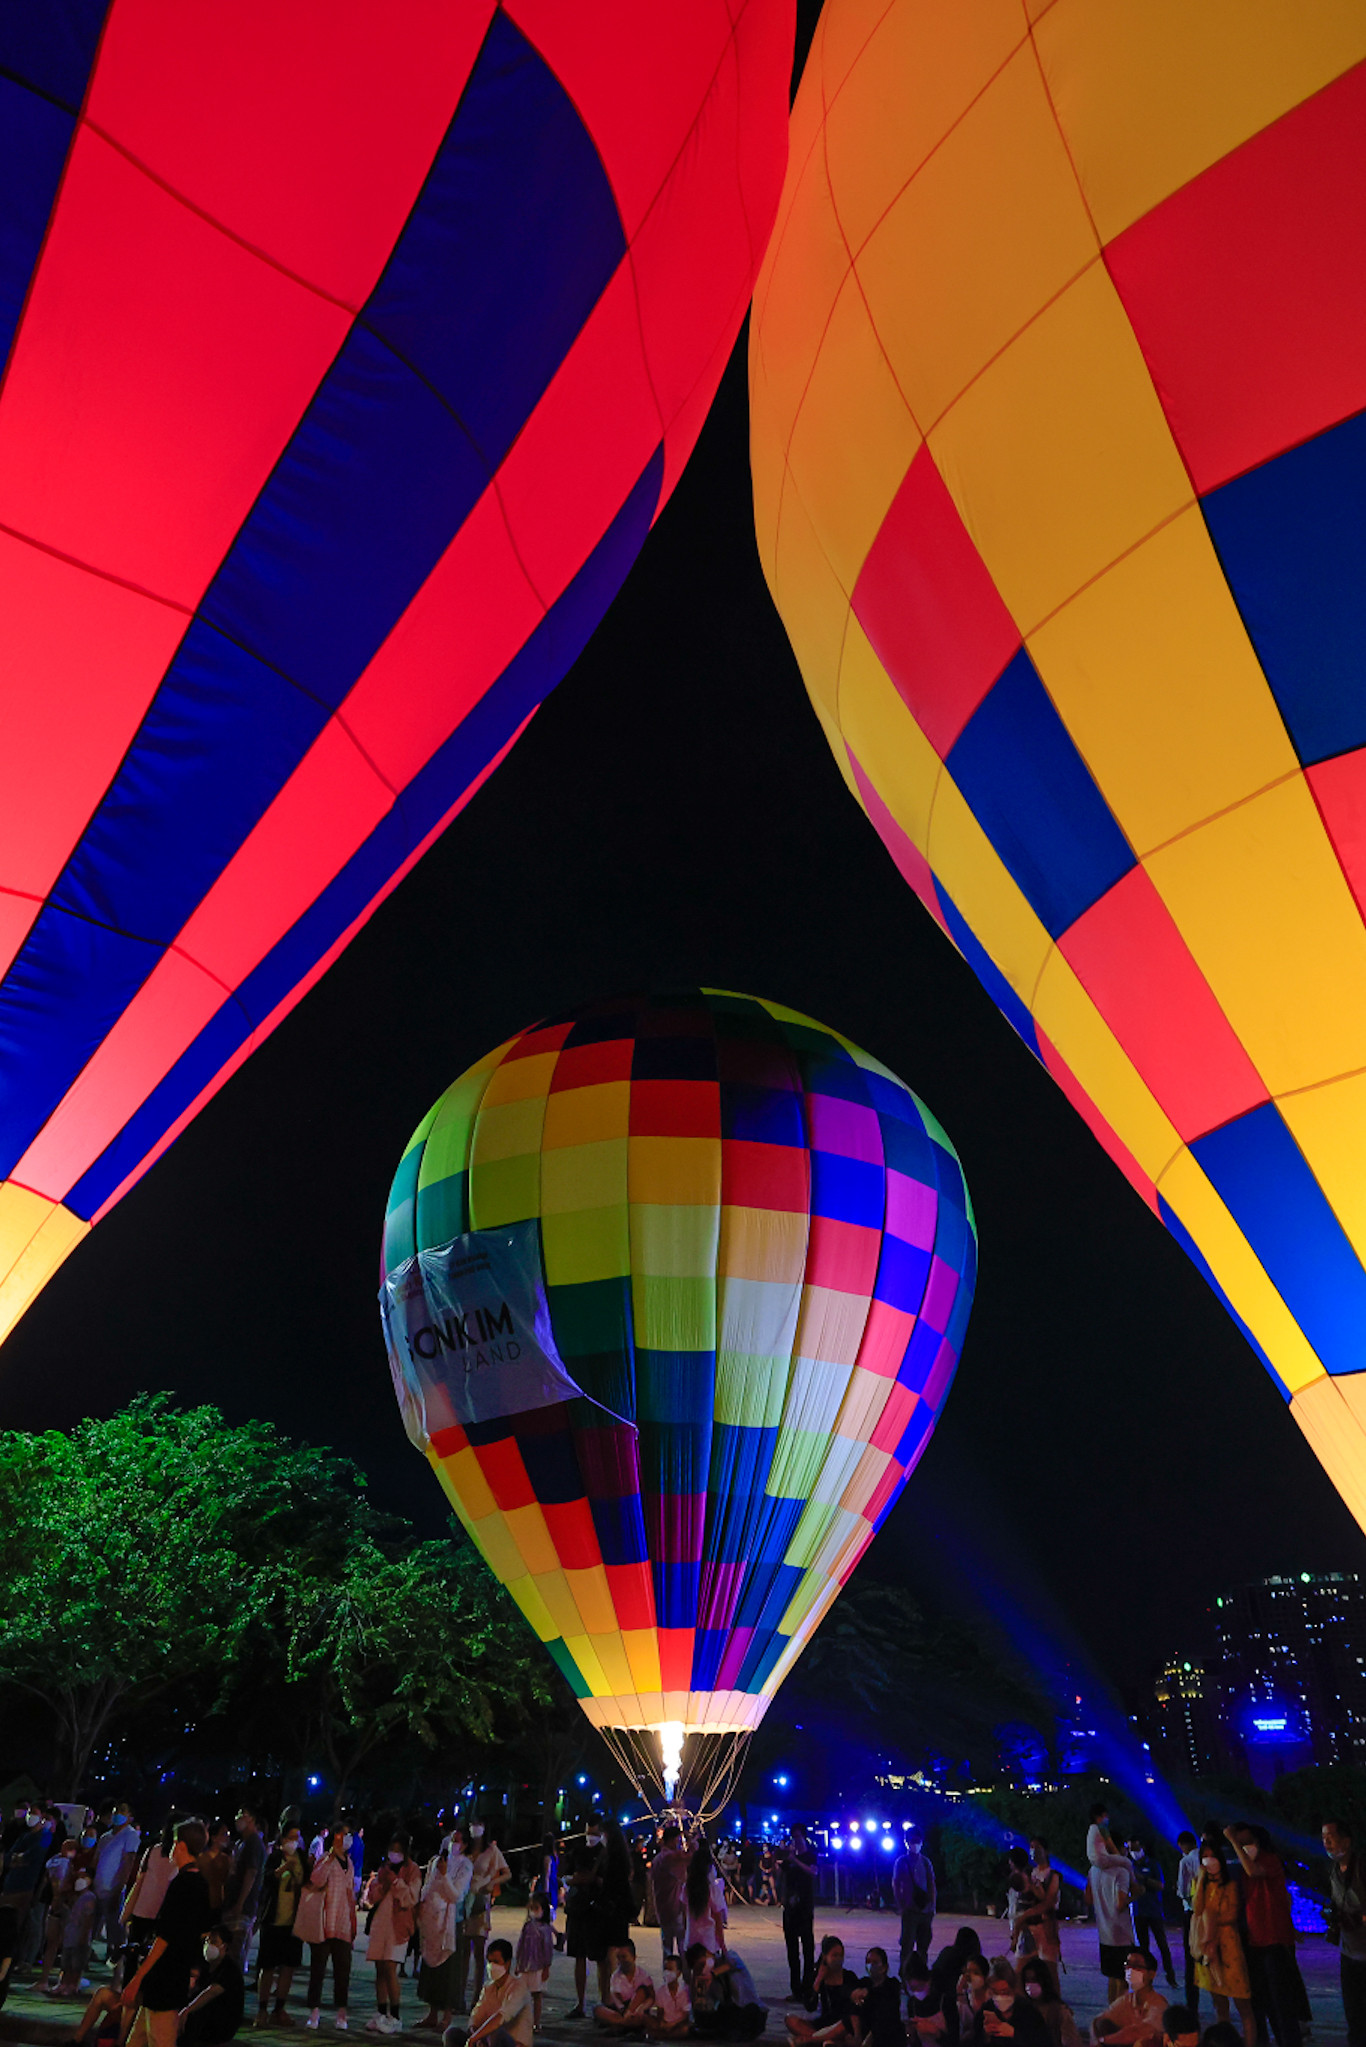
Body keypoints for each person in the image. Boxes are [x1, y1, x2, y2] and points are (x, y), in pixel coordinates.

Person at [120, 1819, 212, 2047]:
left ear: (181, 1846)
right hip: (173, 1974)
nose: (169, 1848)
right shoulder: (199, 1883)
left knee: (161, 2039)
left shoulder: (182, 1884)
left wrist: (137, 1978)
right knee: (138, 2039)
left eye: (173, 1842)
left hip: (166, 1977)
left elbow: (164, 1938)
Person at [1222, 1825, 1298, 2047]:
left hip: (1274, 1939)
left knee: (1281, 2002)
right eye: (1239, 1844)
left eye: (1246, 1843)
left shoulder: (1269, 1860)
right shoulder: (1246, 1868)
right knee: (1259, 2000)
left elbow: (1253, 1871)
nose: (1243, 1849)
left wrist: (1232, 1841)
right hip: (1254, 1939)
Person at [1188, 1842, 1253, 2046]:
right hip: (1209, 1950)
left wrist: (1211, 1920)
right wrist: (1200, 1881)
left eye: (1212, 1855)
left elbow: (1231, 1914)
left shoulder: (1230, 1884)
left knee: (1242, 2002)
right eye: (1204, 1856)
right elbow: (1196, 1909)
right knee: (1219, 2005)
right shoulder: (1199, 1882)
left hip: (1227, 1947)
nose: (1208, 1860)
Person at [297, 1825, 357, 2033]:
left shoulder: (349, 1863)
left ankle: (341, 2012)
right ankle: (314, 2011)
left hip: (342, 1924)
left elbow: (350, 1894)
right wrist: (329, 1859)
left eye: (349, 1833)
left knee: (343, 1971)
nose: (347, 1837)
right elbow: (316, 1880)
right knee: (318, 1969)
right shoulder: (325, 1860)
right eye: (343, 1833)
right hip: (323, 1924)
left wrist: (353, 1922)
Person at [362, 1835, 421, 2036]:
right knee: (380, 1968)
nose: (394, 1853)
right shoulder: (384, 1868)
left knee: (390, 1968)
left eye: (398, 1849)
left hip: (399, 1927)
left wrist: (395, 1882)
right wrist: (382, 1884)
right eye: (391, 1849)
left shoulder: (412, 1870)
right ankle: (380, 2012)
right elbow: (372, 1896)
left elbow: (411, 1897)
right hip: (381, 1923)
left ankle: (395, 2016)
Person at [254, 1820, 311, 2027]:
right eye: (290, 1837)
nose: (294, 1842)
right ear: (282, 1838)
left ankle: (279, 2009)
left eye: (297, 1837)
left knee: (288, 1967)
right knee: (267, 1966)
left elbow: (309, 1883)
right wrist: (283, 1868)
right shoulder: (275, 1857)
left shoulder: (303, 1859)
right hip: (273, 1919)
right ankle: (261, 2009)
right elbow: (266, 1880)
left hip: (294, 1923)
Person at [416, 1840, 472, 2035]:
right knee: (431, 1969)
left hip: (450, 1923)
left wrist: (445, 1873)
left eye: (457, 1839)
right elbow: (427, 1887)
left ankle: (446, 2016)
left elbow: (456, 1895)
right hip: (431, 1922)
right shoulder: (434, 1861)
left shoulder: (465, 1865)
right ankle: (432, 2014)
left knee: (448, 1971)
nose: (453, 1843)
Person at [456, 1822, 512, 2016]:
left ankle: (477, 1997)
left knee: (479, 1951)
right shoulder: (465, 1850)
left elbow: (506, 1873)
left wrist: (492, 1883)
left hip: (480, 1902)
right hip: (464, 1902)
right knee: (463, 1950)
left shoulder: (492, 1851)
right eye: (473, 1825)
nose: (476, 1828)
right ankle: (460, 1996)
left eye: (479, 1825)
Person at [1323, 1817, 1366, 2047]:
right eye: (1323, 1838)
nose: (1326, 1843)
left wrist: (1358, 1919)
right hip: (1348, 1952)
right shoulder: (1334, 1871)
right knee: (1353, 2014)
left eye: (1330, 1838)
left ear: (1346, 1841)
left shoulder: (1361, 1866)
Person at [445, 1937, 531, 2047]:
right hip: (486, 2041)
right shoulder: (488, 1988)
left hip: (513, 2043)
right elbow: (475, 2018)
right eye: (489, 1961)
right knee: (452, 2033)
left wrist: (475, 2038)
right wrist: (476, 2036)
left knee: (496, 2033)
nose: (491, 1966)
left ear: (507, 1963)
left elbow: (501, 2017)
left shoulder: (519, 1987)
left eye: (496, 1962)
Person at [565, 1830, 607, 2021]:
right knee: (580, 1957)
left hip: (596, 1911)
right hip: (578, 1910)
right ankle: (581, 2003)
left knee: (599, 1958)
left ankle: (604, 2003)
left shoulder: (605, 1854)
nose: (591, 1836)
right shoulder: (577, 1851)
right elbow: (567, 1876)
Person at [787, 1935, 858, 2045]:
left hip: (842, 2024)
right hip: (825, 2023)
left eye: (841, 1955)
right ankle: (827, 2040)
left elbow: (854, 2010)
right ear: (825, 1957)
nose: (839, 1959)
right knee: (790, 2020)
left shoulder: (849, 1976)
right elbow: (810, 2007)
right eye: (834, 1955)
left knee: (847, 2026)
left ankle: (813, 2040)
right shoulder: (819, 1978)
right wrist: (819, 1980)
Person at [182, 1926, 247, 2046]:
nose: (208, 1945)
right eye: (207, 1941)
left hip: (222, 2022)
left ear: (225, 1946)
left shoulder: (229, 1970)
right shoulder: (206, 1965)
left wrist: (187, 2011)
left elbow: (210, 1993)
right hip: (207, 2016)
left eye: (214, 1942)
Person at [95, 1806, 142, 1963]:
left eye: (122, 1811)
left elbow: (127, 1864)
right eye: (115, 1811)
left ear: (130, 1816)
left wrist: (118, 1889)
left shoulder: (130, 1835)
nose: (117, 1814)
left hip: (113, 1890)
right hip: (98, 1889)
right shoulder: (106, 1836)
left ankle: (117, 1968)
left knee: (116, 1932)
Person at [689, 1945, 766, 2041]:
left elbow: (732, 1964)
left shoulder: (729, 1957)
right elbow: (708, 2006)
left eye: (702, 1965)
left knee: (734, 2028)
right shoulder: (709, 1981)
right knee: (705, 2024)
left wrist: (712, 1974)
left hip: (748, 2010)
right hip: (730, 2012)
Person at [1090, 1841, 1135, 2004]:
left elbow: (1088, 1897)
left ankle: (1111, 2015)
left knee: (1111, 1977)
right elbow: (1120, 1904)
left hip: (1104, 1933)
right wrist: (1136, 1895)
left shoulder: (1093, 1870)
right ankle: (1120, 2017)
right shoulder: (1122, 1871)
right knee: (1122, 1980)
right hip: (1121, 1934)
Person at [1091, 1948, 1167, 2045]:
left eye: (1137, 1966)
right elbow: (1098, 2021)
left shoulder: (1158, 2005)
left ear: (1151, 1974)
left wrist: (1103, 2041)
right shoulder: (1127, 2000)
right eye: (1128, 1965)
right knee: (1102, 2024)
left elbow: (1136, 2033)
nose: (1131, 1970)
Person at [1127, 1845, 1176, 1991]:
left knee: (1162, 1944)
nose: (1132, 1851)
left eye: (1134, 1847)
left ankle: (1170, 1975)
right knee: (1143, 1948)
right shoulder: (1130, 1865)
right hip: (1138, 1911)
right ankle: (1146, 1979)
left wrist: (1144, 1880)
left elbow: (1161, 1885)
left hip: (1154, 1911)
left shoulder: (1153, 1864)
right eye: (1129, 1847)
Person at [780, 1824, 818, 2007]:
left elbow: (813, 1872)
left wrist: (795, 1860)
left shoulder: (810, 1855)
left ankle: (807, 1988)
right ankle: (796, 1990)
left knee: (808, 1949)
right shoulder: (790, 1858)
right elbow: (779, 1872)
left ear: (804, 1837)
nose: (796, 1840)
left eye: (798, 1837)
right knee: (792, 1951)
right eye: (793, 1837)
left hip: (805, 1908)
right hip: (790, 1909)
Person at [223, 1810, 265, 1974]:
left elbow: (251, 1873)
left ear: (252, 1819)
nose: (238, 1818)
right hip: (234, 1902)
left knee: (235, 1951)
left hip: (242, 1905)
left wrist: (240, 1902)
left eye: (243, 1814)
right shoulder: (243, 1842)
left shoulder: (253, 1843)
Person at [975, 1959, 1050, 2047]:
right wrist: (985, 2035)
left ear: (1013, 1989)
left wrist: (1014, 2034)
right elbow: (973, 2040)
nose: (1000, 1997)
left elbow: (1043, 2042)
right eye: (995, 1992)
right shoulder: (986, 2010)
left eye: (1005, 1992)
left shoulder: (1029, 2012)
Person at [895, 1829, 938, 1982]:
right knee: (907, 1946)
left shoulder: (926, 1862)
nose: (915, 1844)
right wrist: (901, 1905)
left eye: (917, 1841)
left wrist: (932, 1906)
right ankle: (905, 1976)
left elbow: (931, 1883)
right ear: (906, 1842)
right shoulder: (902, 1862)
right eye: (912, 1841)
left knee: (923, 1946)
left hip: (925, 1911)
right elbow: (896, 1883)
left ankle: (921, 1975)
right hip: (910, 1911)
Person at [1018, 1843, 1062, 1991]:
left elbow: (1049, 1901)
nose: (1033, 1851)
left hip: (1045, 1925)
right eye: (1031, 1847)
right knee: (1022, 1969)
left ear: (1046, 1851)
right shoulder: (1028, 1873)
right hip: (1029, 1927)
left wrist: (1026, 1914)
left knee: (1049, 1968)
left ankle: (1055, 2004)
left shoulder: (1053, 1875)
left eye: (1037, 1847)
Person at [594, 1937, 656, 2031]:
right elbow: (615, 1997)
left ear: (634, 1957)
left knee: (642, 1991)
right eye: (618, 1958)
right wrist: (623, 2010)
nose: (621, 1961)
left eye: (624, 1957)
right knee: (597, 2009)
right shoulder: (615, 1976)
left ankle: (622, 2024)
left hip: (638, 2008)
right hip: (621, 2009)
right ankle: (625, 2022)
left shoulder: (643, 1975)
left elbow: (651, 1997)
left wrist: (641, 2008)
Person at [1017, 1956, 1080, 2047]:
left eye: (1034, 1980)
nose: (1030, 1985)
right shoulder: (1023, 2009)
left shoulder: (1059, 2012)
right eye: (1027, 1980)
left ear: (1044, 1981)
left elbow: (1072, 2042)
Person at [513, 1892, 553, 2033]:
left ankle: (536, 2022)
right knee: (522, 1995)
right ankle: (522, 2021)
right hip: (524, 1966)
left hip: (538, 1967)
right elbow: (520, 1945)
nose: (533, 1911)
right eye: (531, 1907)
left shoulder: (545, 1929)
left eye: (536, 1907)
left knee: (537, 1995)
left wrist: (546, 1967)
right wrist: (517, 1964)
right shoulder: (527, 1926)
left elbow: (547, 1949)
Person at [851, 1946, 904, 2047]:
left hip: (886, 2034)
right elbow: (854, 2009)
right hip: (865, 2030)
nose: (870, 1965)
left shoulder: (892, 1984)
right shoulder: (864, 1982)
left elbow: (884, 1999)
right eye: (868, 1962)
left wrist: (868, 1992)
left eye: (875, 1962)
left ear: (884, 1967)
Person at [684, 1838, 727, 1959]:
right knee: (707, 1975)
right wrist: (723, 1946)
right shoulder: (712, 1889)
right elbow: (717, 1919)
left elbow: (684, 1915)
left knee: (696, 1974)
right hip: (708, 1941)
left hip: (691, 1939)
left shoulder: (686, 1888)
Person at [652, 1827, 688, 1969]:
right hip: (674, 1907)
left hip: (663, 1907)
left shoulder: (657, 1858)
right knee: (682, 1948)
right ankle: (685, 1982)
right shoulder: (669, 1858)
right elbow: (685, 1869)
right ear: (673, 1840)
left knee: (667, 1948)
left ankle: (668, 1982)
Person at [1175, 1839, 1201, 2019]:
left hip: (1191, 1911)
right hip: (1207, 1912)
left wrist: (1181, 1894)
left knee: (1190, 1959)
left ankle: (1192, 2005)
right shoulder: (1207, 1857)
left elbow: (1183, 1890)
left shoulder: (1185, 1861)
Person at [645, 1950, 691, 2040]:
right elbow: (660, 2011)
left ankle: (662, 2036)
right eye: (665, 1969)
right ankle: (665, 2035)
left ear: (678, 1973)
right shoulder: (661, 1991)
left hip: (678, 2023)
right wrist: (662, 2023)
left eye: (670, 1969)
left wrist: (673, 2024)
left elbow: (686, 2015)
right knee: (647, 2020)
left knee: (685, 2029)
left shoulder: (685, 1990)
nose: (667, 1973)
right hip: (665, 2022)